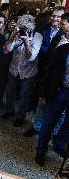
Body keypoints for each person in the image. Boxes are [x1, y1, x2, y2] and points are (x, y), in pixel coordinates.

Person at [35, 13, 69, 166]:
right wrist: (43, 93)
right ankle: (41, 151)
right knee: (48, 122)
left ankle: (59, 144)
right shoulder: (62, 49)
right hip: (59, 91)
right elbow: (49, 72)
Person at [1, 15, 42, 127]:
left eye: (24, 27)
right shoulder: (16, 34)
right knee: (10, 91)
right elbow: (6, 50)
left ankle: (21, 116)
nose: (22, 29)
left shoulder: (37, 36)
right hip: (14, 68)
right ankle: (9, 111)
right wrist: (12, 36)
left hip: (28, 71)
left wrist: (26, 42)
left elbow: (31, 57)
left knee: (24, 95)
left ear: (31, 28)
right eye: (20, 26)